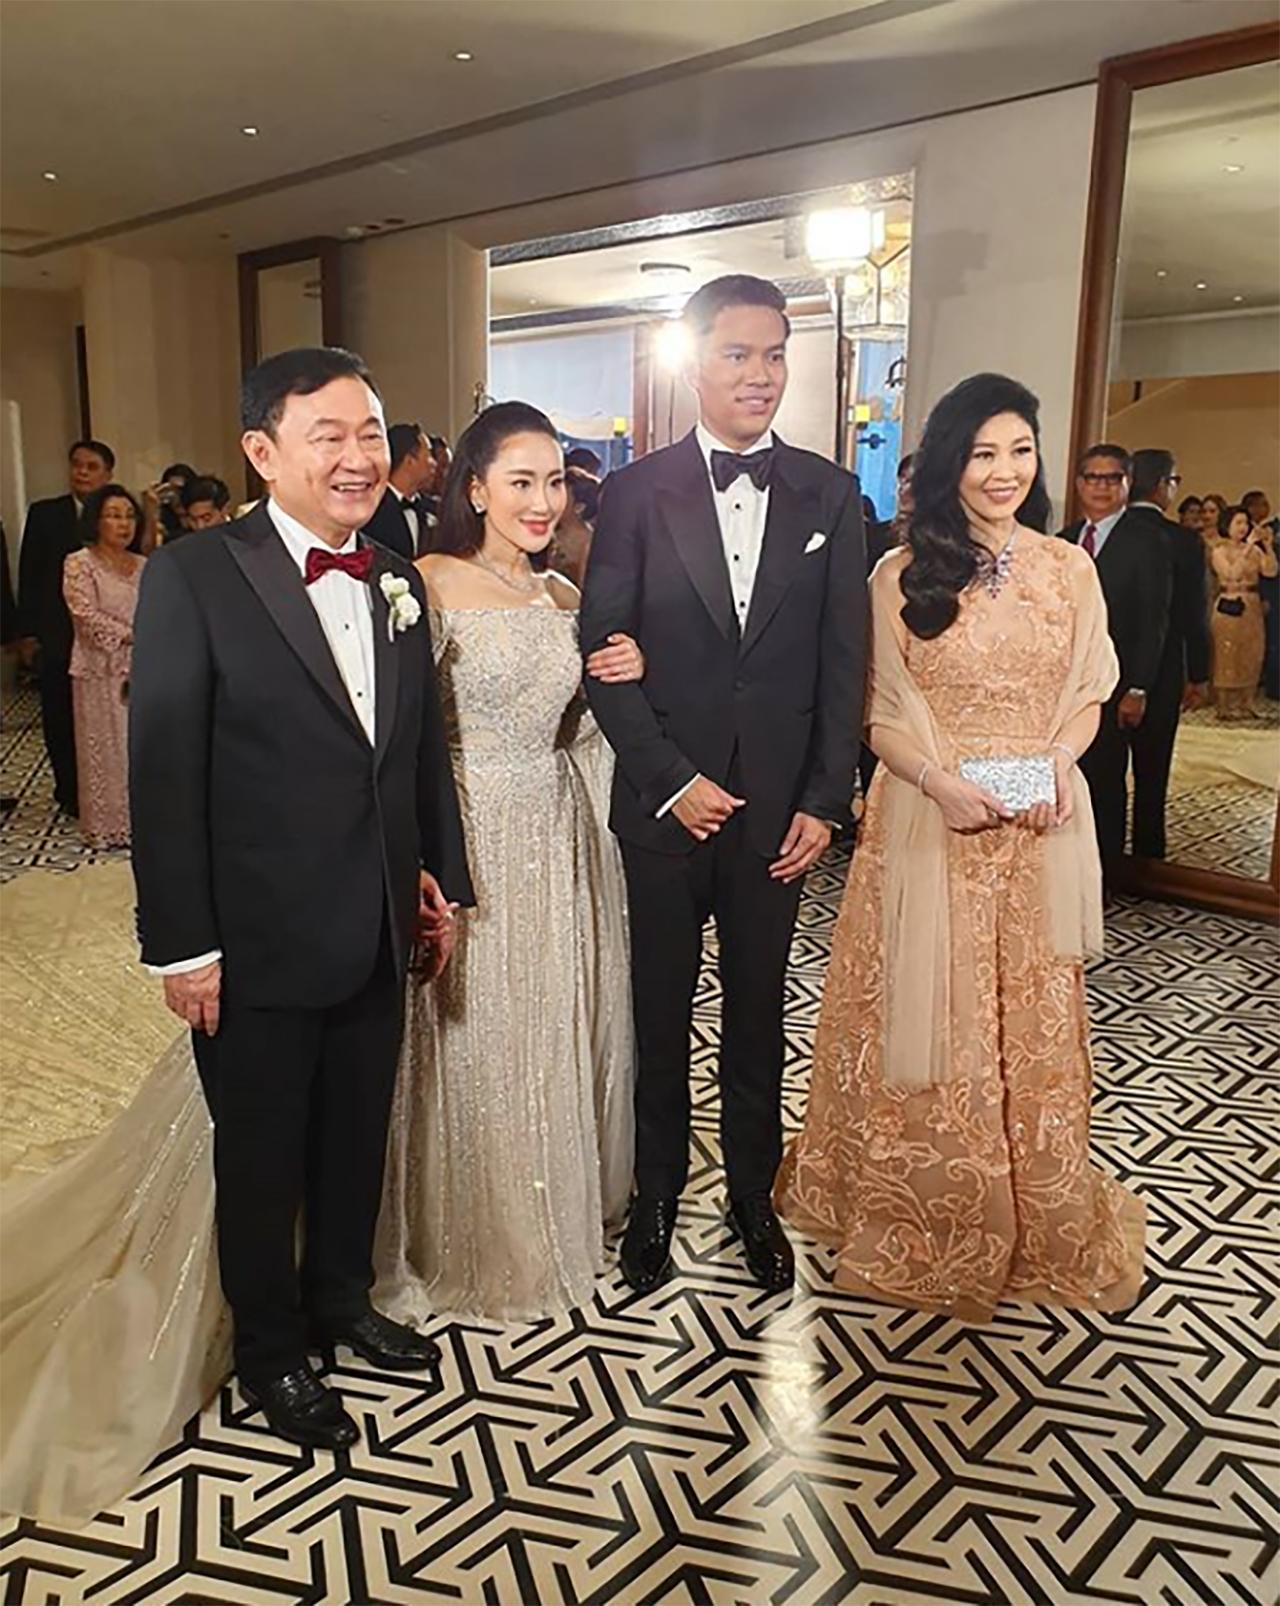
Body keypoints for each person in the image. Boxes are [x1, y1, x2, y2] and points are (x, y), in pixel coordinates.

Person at [129, 346, 473, 1452]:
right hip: (256, 934)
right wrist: (182, 945)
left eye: (370, 432)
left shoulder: (395, 576)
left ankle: (341, 1298)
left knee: (354, 1133)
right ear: (262, 451)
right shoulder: (195, 576)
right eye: (328, 434)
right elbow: (162, 773)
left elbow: (411, 754)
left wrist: (433, 879)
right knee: (262, 1153)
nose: (358, 456)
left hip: (375, 921)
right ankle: (271, 1350)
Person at [777, 372, 1144, 1322]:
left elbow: (1089, 690)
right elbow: (876, 712)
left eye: (1020, 451)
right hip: (928, 823)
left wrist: (1059, 762)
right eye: (983, 453)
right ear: (949, 465)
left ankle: (1031, 1207)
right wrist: (939, 782)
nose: (1004, 471)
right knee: (928, 1017)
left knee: (1025, 1020)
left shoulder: (1069, 569)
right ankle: (925, 1207)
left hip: (1036, 830)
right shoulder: (899, 576)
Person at [581, 273, 866, 1296]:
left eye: (774, 354)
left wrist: (824, 802)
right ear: (693, 363)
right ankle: (656, 1193)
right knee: (658, 1012)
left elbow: (844, 662)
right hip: (666, 810)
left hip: (778, 817)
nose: (760, 373)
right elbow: (602, 654)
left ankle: (753, 1194)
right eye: (738, 354)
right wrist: (671, 780)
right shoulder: (633, 493)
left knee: (758, 1014)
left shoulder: (831, 493)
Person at [378, 402, 642, 1319]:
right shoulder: (425, 582)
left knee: (538, 1017)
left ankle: (541, 1203)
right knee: (464, 1024)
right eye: (520, 481)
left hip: (551, 831)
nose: (542, 501)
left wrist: (625, 673)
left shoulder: (565, 598)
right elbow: (398, 733)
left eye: (554, 481)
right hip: (461, 829)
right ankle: (458, 1225)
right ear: (477, 489)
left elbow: (578, 730)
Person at [1062, 445, 1173, 881]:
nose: (1101, 487)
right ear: (1079, 484)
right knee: (1068, 779)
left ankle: (1103, 879)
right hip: (1065, 688)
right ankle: (1067, 876)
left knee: (1105, 784)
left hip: (1116, 686)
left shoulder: (1147, 542)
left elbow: (1154, 621)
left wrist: (1138, 688)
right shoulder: (1063, 540)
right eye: (1092, 477)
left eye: (1112, 478)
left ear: (1127, 484)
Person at [16, 438, 116, 815]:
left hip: (106, 637)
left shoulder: (116, 512)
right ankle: (69, 792)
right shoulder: (46, 514)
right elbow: (29, 574)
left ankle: (106, 790)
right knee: (59, 715)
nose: (82, 473)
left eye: (92, 467)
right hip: (58, 632)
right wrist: (28, 634)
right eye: (77, 465)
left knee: (104, 717)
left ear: (107, 474)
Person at [1126, 450, 1210, 860]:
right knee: (1152, 771)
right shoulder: (1183, 540)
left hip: (1106, 668)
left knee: (1101, 775)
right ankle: (1147, 859)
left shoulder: (1108, 532)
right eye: (1175, 481)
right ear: (1162, 485)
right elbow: (1194, 614)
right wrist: (1199, 674)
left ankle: (1105, 864)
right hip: (1163, 666)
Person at [63, 486, 146, 848]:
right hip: (99, 668)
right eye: (113, 515)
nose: (123, 524)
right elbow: (84, 614)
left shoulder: (144, 565)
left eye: (129, 516)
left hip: (141, 669)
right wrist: (130, 635)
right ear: (96, 521)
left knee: (137, 747)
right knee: (106, 749)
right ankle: (107, 827)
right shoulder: (79, 563)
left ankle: (141, 823)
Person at [1209, 504, 1278, 719]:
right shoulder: (1219, 551)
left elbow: (1270, 571)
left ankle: (1247, 702)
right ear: (1227, 525)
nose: (1243, 527)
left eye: (1245, 523)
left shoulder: (1255, 550)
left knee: (1252, 651)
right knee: (1227, 653)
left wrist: (1267, 547)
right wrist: (1247, 548)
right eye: (1238, 523)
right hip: (1229, 602)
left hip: (1252, 604)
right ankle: (1224, 705)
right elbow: (1231, 573)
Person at [365, 422, 436, 560]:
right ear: (410, 460)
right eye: (429, 454)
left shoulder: (434, 509)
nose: (434, 463)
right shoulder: (372, 510)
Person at [1242, 489, 1280, 700]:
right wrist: (1264, 596)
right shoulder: (1265, 531)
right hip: (1269, 591)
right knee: (1272, 641)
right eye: (1260, 504)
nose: (1264, 508)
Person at [544, 464, 601, 587]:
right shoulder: (548, 534)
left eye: (563, 497)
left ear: (579, 507)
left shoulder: (589, 543)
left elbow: (584, 589)